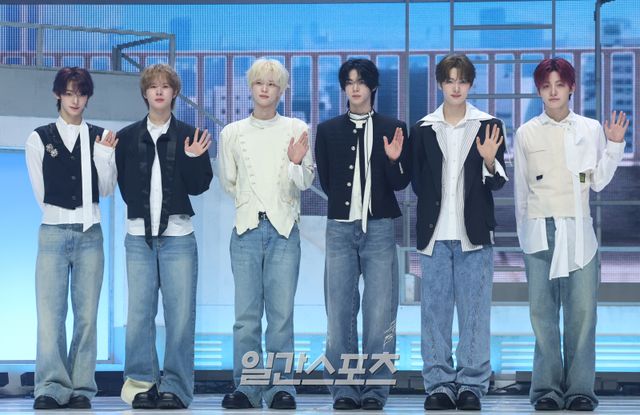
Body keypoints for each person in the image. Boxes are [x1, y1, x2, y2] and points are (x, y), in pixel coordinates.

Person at [514, 57, 629, 412]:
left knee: (582, 315)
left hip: (579, 231)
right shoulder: (526, 132)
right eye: (546, 86)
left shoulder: (591, 129)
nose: (553, 92)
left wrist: (614, 146)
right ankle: (547, 390)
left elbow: (598, 182)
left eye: (559, 85)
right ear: (538, 90)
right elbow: (520, 194)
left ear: (571, 88)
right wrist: (525, 238)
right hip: (539, 231)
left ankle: (580, 391)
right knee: (542, 316)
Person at [410, 53, 507, 411]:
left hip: (474, 235)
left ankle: (471, 385)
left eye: (462, 80)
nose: (456, 87)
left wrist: (488, 159)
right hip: (434, 235)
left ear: (470, 84)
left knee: (475, 314)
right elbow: (418, 182)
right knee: (434, 314)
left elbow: (498, 182)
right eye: (450, 80)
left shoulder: (488, 125)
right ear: (440, 83)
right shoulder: (423, 127)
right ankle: (438, 384)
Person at [217, 58, 314, 410]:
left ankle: (280, 387)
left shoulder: (296, 127)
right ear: (251, 86)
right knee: (245, 318)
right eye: (260, 82)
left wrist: (295, 161)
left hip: (284, 230)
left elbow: (306, 181)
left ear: (282, 90)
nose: (265, 89)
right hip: (246, 230)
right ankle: (247, 387)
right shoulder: (232, 133)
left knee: (281, 316)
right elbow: (229, 181)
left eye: (272, 84)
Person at [315, 58, 410, 411]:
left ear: (373, 87)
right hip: (340, 228)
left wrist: (394, 160)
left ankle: (375, 389)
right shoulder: (327, 130)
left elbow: (401, 182)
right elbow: (327, 181)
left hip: (380, 227)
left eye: (361, 81)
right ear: (344, 87)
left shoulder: (393, 127)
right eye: (349, 81)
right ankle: (343, 388)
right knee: (339, 311)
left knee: (379, 312)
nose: (355, 87)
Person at [115, 63, 213, 409]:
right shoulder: (127, 137)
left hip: (178, 236)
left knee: (180, 316)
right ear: (145, 93)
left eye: (165, 86)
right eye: (153, 86)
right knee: (139, 315)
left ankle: (177, 387)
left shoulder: (190, 134)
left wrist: (193, 159)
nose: (159, 91)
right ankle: (141, 384)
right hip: (138, 237)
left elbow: (200, 186)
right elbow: (125, 187)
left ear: (174, 93)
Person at [26, 67, 118, 410]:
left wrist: (104, 157)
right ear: (58, 95)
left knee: (87, 316)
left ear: (88, 97)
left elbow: (106, 189)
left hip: (90, 233)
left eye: (81, 93)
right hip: (52, 232)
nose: (75, 99)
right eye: (68, 92)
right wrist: (62, 216)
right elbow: (42, 193)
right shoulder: (39, 138)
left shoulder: (101, 137)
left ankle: (81, 387)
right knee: (50, 316)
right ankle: (51, 386)